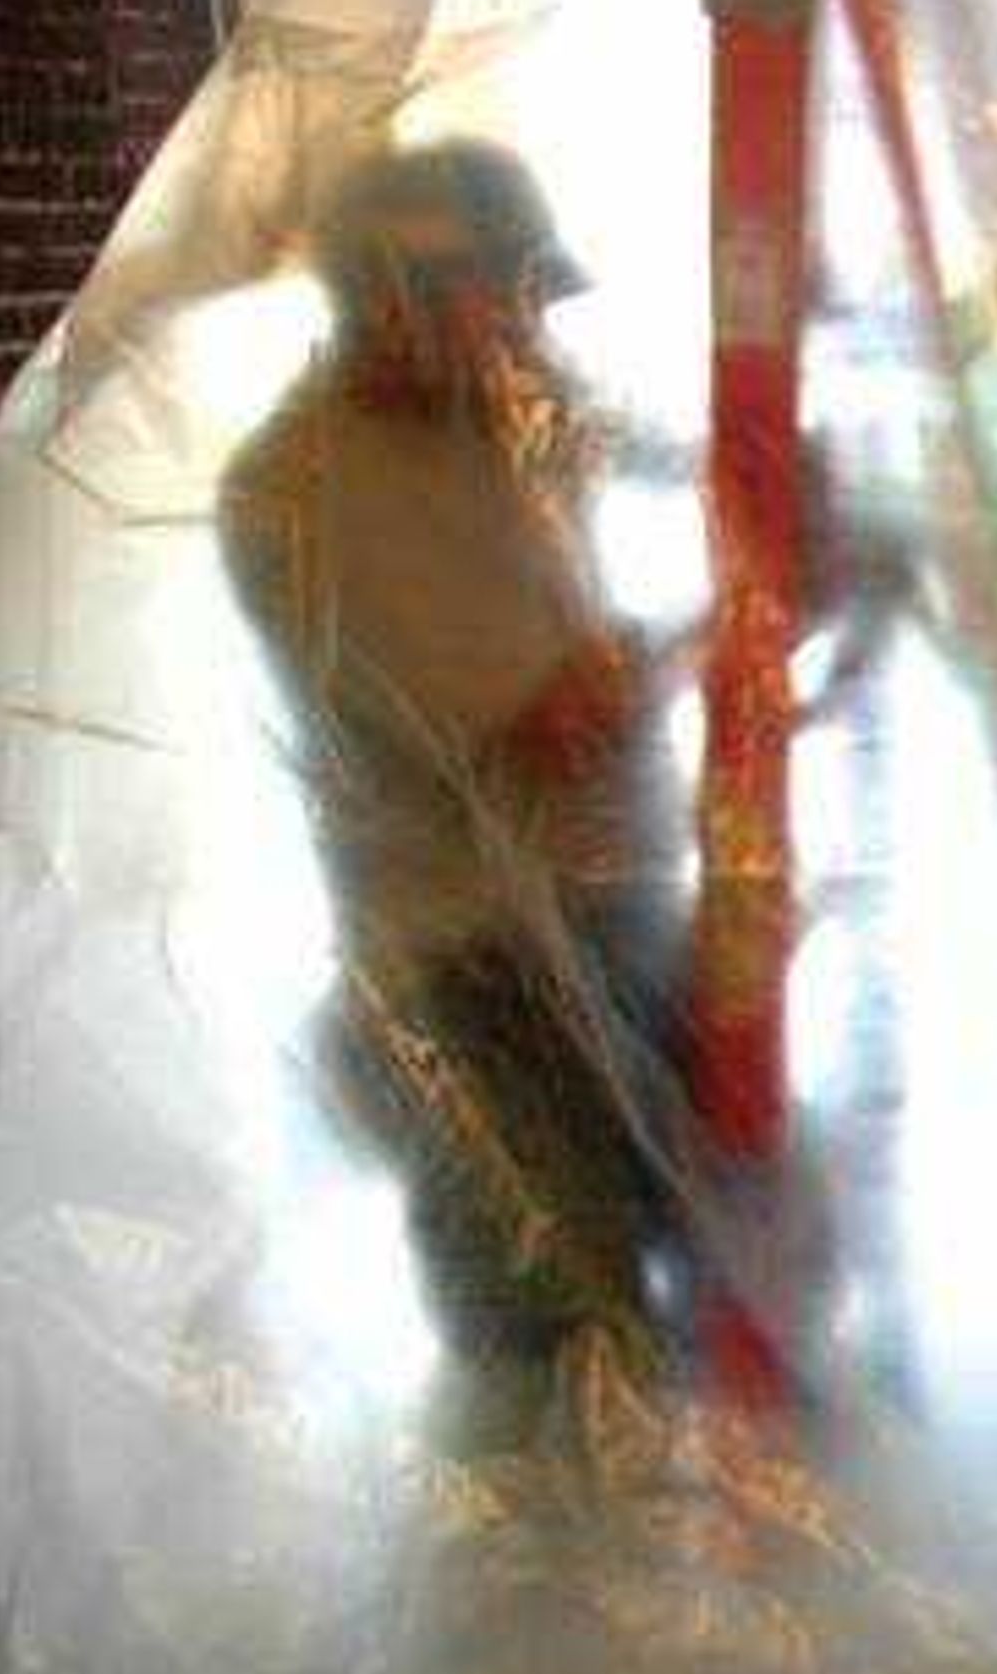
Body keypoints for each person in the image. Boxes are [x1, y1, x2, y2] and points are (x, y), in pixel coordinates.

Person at [220, 143, 691, 1369]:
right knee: (550, 1319)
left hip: (607, 915)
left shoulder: (502, 407)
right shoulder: (298, 494)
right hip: (472, 974)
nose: (533, 333)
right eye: (510, 295)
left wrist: (791, 494)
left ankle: (681, 1527)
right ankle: (557, 1552)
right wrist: (725, 632)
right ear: (397, 293)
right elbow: (545, 731)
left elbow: (678, 457)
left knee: (699, 1245)